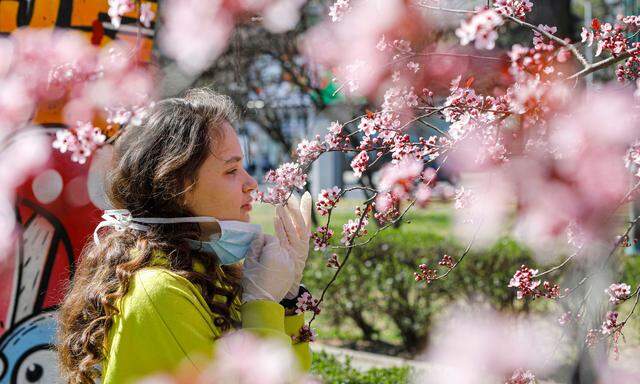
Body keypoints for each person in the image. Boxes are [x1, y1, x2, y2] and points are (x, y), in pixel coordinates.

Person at [57, 88, 313, 384]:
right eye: (231, 171)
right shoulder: (159, 291)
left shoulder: (203, 270)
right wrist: (260, 305)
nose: (251, 183)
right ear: (176, 186)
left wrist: (287, 301)